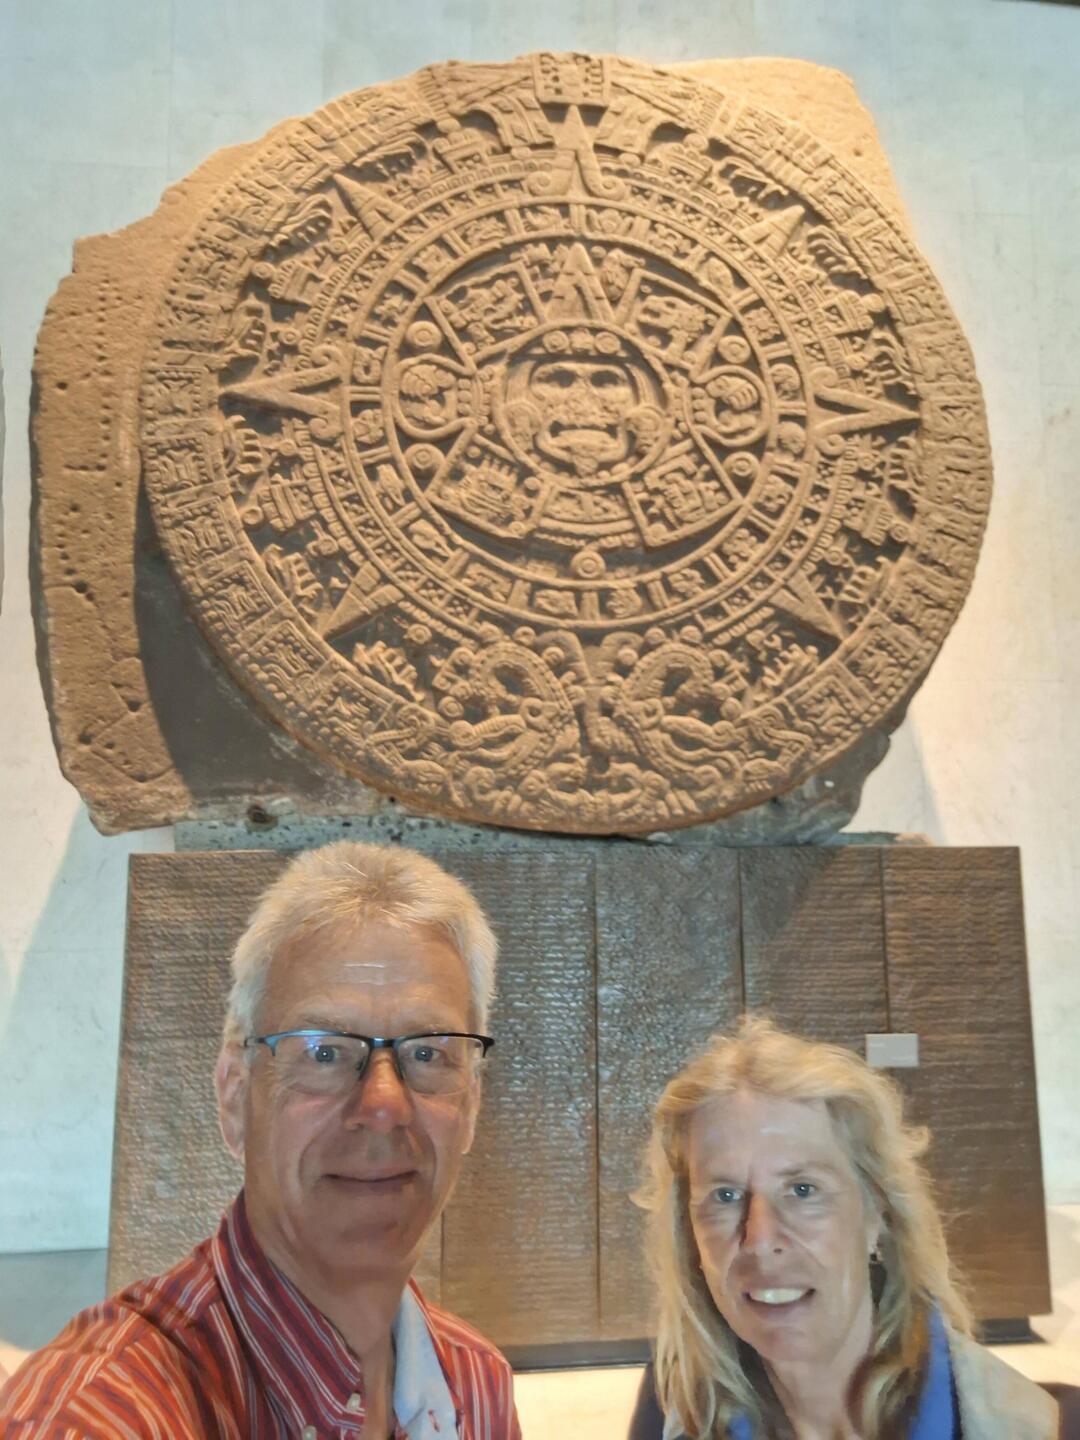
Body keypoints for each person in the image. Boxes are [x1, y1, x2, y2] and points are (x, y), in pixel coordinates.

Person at [0, 842, 521, 1438]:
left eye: (427, 1053)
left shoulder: (477, 1387)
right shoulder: (99, 1414)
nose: (383, 1106)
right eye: (323, 1052)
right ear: (234, 1096)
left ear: (471, 1106)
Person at [631, 1016, 1058, 1440]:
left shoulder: (1035, 1426)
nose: (760, 1239)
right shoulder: (673, 1407)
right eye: (725, 1196)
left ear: (877, 1215)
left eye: (803, 1190)